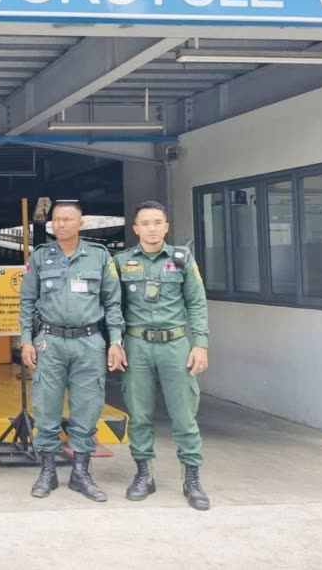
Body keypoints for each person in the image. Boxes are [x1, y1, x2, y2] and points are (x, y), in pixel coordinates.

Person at [19, 200, 123, 502]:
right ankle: (47, 472)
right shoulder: (40, 256)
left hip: (89, 342)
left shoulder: (99, 256)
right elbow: (27, 301)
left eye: (68, 219)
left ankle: (81, 474)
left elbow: (112, 302)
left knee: (87, 407)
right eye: (57, 219)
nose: (61, 224)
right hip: (49, 341)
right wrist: (26, 340)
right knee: (46, 407)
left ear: (81, 223)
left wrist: (115, 341)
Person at [112, 201, 211, 510]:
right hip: (137, 345)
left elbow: (197, 302)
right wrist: (115, 342)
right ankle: (144, 475)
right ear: (135, 229)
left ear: (166, 227)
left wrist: (201, 344)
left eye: (157, 222)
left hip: (175, 344)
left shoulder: (182, 259)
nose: (152, 228)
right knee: (139, 414)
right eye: (146, 223)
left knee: (184, 414)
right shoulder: (121, 262)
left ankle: (192, 479)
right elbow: (114, 306)